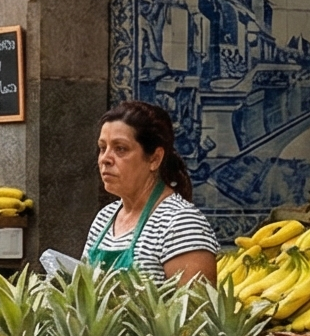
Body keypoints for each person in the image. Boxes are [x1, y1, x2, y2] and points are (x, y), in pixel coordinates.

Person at [82, 101, 219, 281]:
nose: (105, 159)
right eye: (102, 148)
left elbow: (196, 308)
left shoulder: (181, 224)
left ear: (155, 158)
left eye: (120, 149)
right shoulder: (104, 219)